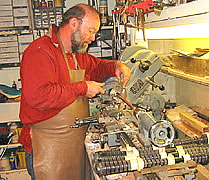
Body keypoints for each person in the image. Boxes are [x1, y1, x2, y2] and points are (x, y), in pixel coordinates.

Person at [18, 3, 131, 180]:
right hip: (47, 146)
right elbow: (37, 96)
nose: (93, 38)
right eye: (91, 31)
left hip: (73, 143)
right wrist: (83, 87)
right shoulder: (40, 51)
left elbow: (97, 66)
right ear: (73, 23)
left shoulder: (76, 53)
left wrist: (115, 65)